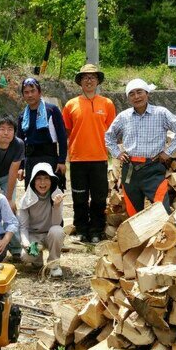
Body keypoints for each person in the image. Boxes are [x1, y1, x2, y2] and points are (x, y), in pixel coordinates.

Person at [105, 78, 176, 216]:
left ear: (147, 93)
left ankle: (164, 236)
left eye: (139, 92)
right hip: (130, 169)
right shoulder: (124, 117)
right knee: (133, 213)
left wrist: (168, 152)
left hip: (153, 168)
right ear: (128, 98)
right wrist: (117, 153)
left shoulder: (161, 113)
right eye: (132, 94)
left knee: (162, 210)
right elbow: (109, 137)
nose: (136, 96)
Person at [62, 64, 116, 243]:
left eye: (93, 77)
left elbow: (111, 130)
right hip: (77, 159)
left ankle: (96, 230)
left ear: (98, 80)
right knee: (79, 197)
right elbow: (68, 131)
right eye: (85, 77)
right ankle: (81, 229)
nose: (89, 80)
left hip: (100, 158)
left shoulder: (107, 103)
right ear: (80, 81)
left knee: (99, 197)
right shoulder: (71, 105)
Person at [17, 77, 67, 187]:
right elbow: (20, 143)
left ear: (39, 92)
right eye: (26, 92)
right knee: (32, 194)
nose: (30, 95)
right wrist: (21, 167)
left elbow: (62, 136)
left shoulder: (52, 110)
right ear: (23, 96)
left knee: (53, 193)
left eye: (33, 91)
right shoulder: (22, 116)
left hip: (50, 158)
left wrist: (62, 161)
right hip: (30, 160)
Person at [18, 162, 65, 278]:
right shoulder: (26, 199)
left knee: (57, 231)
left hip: (50, 234)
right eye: (38, 178)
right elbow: (23, 227)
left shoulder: (57, 195)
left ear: (51, 180)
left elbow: (56, 223)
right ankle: (37, 260)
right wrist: (26, 243)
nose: (42, 183)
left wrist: (56, 206)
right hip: (34, 236)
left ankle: (53, 265)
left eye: (46, 178)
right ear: (33, 181)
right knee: (26, 256)